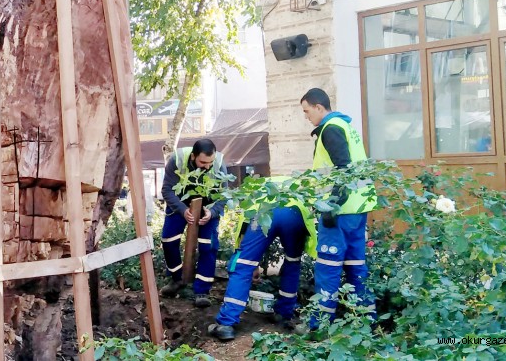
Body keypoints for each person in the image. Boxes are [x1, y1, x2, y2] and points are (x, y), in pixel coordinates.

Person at [299, 88, 377, 331]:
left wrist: (331, 204)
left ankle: (319, 326)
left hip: (340, 212)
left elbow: (343, 170)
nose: (306, 116)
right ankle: (366, 321)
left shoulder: (331, 128)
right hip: (358, 208)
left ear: (319, 107)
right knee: (355, 265)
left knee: (328, 267)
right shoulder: (346, 127)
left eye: (307, 111)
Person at [208, 177, 318, 340]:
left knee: (243, 265)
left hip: (263, 212)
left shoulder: (255, 194)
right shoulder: (296, 189)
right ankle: (284, 313)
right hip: (294, 214)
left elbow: (244, 232)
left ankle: (226, 324)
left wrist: (252, 264)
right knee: (292, 263)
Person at [159, 139, 229, 308]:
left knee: (208, 246)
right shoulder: (177, 159)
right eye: (202, 162)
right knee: (168, 241)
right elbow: (167, 190)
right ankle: (177, 280)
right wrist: (183, 210)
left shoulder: (219, 163)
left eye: (210, 163)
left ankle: (202, 291)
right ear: (193, 156)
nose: (207, 166)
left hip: (208, 207)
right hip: (180, 205)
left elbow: (224, 194)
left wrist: (211, 213)